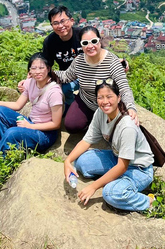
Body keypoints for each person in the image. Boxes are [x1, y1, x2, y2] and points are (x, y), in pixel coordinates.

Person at [0, 53, 63, 194]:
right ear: (29, 71)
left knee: (12, 133)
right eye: (33, 68)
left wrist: (30, 126)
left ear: (48, 69)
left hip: (44, 134)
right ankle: (0, 158)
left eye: (41, 68)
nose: (37, 71)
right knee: (0, 112)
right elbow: (18, 105)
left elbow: (56, 124)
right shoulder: (30, 83)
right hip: (30, 123)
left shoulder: (54, 92)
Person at [63, 79, 155, 212]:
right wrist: (68, 161)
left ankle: (148, 201)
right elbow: (86, 141)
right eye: (100, 97)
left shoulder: (127, 126)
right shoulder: (101, 113)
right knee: (82, 162)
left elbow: (122, 166)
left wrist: (93, 187)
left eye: (109, 96)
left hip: (138, 169)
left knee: (111, 194)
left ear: (118, 98)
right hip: (116, 157)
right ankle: (115, 179)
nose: (105, 101)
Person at [56, 26, 139, 133]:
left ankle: (99, 123)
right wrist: (44, 74)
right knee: (72, 125)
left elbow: (124, 88)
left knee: (116, 130)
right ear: (81, 45)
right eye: (85, 43)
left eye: (94, 41)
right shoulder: (79, 61)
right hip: (86, 100)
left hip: (108, 103)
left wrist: (131, 108)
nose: (90, 46)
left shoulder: (112, 62)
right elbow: (66, 76)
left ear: (100, 41)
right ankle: (93, 123)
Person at [19, 6, 83, 106]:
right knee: (64, 90)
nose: (60, 26)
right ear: (52, 26)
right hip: (66, 77)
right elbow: (46, 64)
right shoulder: (50, 42)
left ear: (71, 21)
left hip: (88, 73)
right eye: (56, 23)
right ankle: (71, 107)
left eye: (63, 21)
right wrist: (30, 81)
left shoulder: (82, 35)